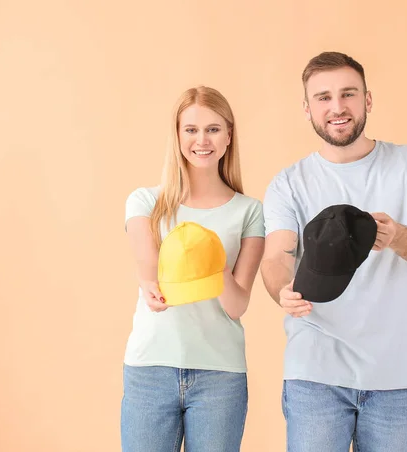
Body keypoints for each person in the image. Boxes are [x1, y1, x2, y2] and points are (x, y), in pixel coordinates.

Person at [260, 51, 407, 452]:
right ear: (308, 108)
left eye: (348, 94)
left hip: (395, 377)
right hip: (314, 375)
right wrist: (283, 289)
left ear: (367, 99)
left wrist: (398, 235)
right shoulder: (288, 183)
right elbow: (277, 256)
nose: (337, 107)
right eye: (323, 98)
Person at [121, 86, 265, 452]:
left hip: (220, 374)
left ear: (229, 135)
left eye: (213, 129)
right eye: (191, 129)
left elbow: (236, 305)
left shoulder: (249, 212)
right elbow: (149, 271)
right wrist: (151, 285)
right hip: (150, 368)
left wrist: (209, 261)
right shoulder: (145, 202)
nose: (202, 140)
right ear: (177, 134)